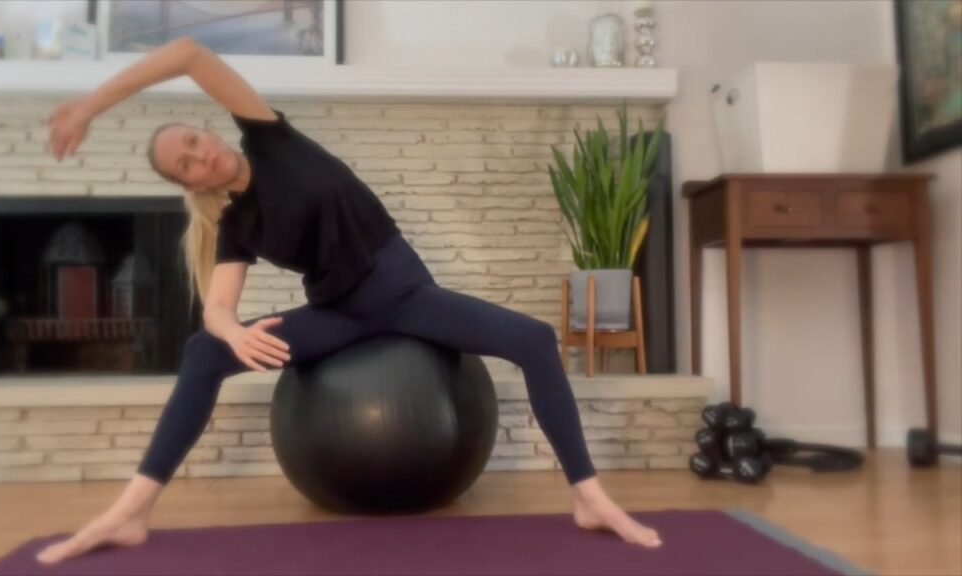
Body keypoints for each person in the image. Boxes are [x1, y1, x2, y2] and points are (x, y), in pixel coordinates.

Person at [36, 37, 663, 565]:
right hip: (339, 316)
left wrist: (91, 104)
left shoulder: (269, 137)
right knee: (204, 351)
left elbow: (188, 52)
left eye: (193, 140)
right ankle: (132, 510)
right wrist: (231, 334)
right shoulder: (236, 225)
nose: (200, 153)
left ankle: (588, 495)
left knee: (533, 340)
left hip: (408, 295)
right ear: (189, 184)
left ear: (208, 131)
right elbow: (218, 307)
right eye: (186, 163)